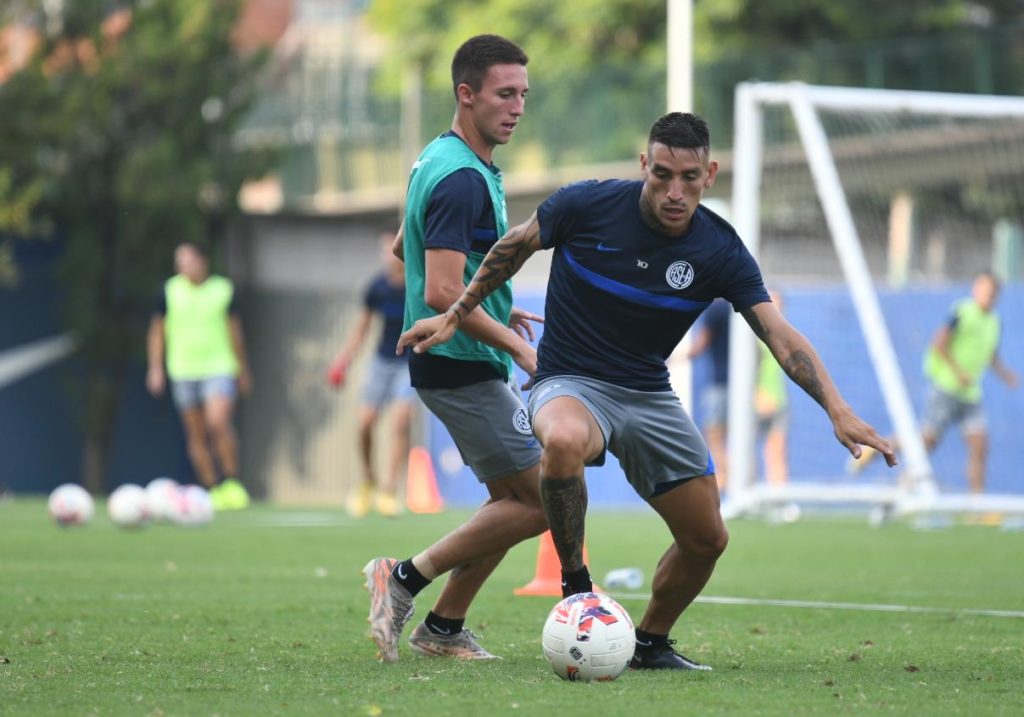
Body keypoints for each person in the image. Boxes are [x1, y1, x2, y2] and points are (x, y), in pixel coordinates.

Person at [399, 112, 897, 671]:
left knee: (707, 538)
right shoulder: (585, 205)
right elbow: (512, 247)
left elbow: (777, 333)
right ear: (644, 166)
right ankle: (576, 586)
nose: (674, 191)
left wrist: (837, 407)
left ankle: (651, 643)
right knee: (562, 440)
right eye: (661, 175)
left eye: (688, 177)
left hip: (649, 395)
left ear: (709, 174)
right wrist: (457, 314)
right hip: (568, 381)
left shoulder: (719, 249)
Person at [362, 34, 548, 663]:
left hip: (456, 356)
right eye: (504, 93)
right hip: (458, 362)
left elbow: (404, 251)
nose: (518, 106)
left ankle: (442, 630)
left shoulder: (438, 158)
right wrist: (519, 349)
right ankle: (404, 577)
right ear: (466, 95)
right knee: (544, 497)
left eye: (523, 93)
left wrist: (494, 297)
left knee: (513, 502)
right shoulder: (463, 178)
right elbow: (442, 288)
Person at [850, 272, 1017, 492]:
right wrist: (958, 372)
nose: (986, 294)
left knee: (979, 446)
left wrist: (1006, 375)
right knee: (927, 439)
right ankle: (876, 448)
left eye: (991, 291)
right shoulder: (962, 312)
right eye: (982, 288)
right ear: (976, 289)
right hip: (946, 387)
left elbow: (991, 354)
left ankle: (977, 505)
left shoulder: (995, 322)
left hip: (971, 394)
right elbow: (939, 343)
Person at [146, 242, 252, 510]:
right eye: (178, 261)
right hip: (182, 370)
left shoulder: (222, 290)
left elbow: (235, 331)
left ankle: (231, 481)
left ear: (202, 261)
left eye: (187, 260)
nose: (182, 266)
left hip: (219, 367)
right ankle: (211, 488)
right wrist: (156, 367)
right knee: (196, 434)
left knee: (218, 423)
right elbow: (157, 331)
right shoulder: (169, 291)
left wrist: (242, 369)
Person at [328, 232, 415, 518]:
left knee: (400, 421)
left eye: (394, 249)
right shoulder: (376, 287)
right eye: (385, 250)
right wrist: (344, 361)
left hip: (410, 362)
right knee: (365, 423)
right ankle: (368, 479)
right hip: (381, 361)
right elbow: (362, 328)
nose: (390, 255)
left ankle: (389, 490)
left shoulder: (418, 283)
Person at [686, 298, 730, 491]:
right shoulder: (741, 307)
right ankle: (737, 482)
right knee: (734, 437)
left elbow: (701, 343)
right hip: (741, 387)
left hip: (720, 384)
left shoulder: (717, 309)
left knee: (714, 435)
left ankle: (725, 481)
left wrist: (674, 358)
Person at [756, 289, 789, 488]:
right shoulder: (751, 335)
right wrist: (756, 393)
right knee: (744, 452)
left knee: (777, 451)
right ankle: (744, 498)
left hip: (778, 400)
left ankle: (778, 500)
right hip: (756, 401)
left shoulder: (784, 335)